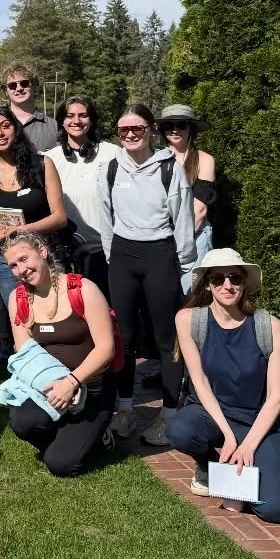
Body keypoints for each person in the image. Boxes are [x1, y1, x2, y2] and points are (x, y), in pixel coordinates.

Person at [167, 249, 280, 523]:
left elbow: (276, 396)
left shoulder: (269, 326)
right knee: (179, 430)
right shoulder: (189, 320)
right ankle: (209, 466)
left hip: (256, 421)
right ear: (207, 284)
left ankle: (241, 476)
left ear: (244, 282)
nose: (227, 285)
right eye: (218, 279)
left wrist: (246, 446)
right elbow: (200, 382)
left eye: (235, 278)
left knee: (276, 510)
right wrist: (228, 435)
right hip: (211, 416)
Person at [95, 103, 196, 446]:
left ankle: (168, 413)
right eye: (123, 130)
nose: (130, 135)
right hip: (123, 257)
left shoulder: (170, 169)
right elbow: (105, 220)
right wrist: (114, 258)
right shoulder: (110, 169)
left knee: (167, 339)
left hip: (160, 256)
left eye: (137, 128)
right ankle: (124, 409)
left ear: (151, 129)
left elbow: (183, 222)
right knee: (123, 336)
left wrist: (184, 268)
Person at [2, 232, 118, 477]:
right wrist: (55, 385)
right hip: (48, 386)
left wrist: (71, 383)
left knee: (61, 465)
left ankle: (97, 437)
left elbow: (106, 348)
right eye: (13, 265)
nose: (21, 270)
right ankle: (68, 433)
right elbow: (24, 350)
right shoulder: (18, 298)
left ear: (42, 252)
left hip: (92, 388)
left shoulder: (83, 289)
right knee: (23, 422)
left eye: (24, 259)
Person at [0, 106, 66, 367]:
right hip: (5, 257)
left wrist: (24, 230)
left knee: (51, 308)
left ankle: (58, 362)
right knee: (20, 312)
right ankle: (28, 367)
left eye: (5, 126)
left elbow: (59, 217)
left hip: (44, 251)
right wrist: (0, 234)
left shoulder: (42, 164)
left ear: (16, 129)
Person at [43, 96, 119, 294]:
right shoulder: (49, 158)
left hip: (106, 251)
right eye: (70, 116)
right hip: (65, 252)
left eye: (83, 115)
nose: (76, 121)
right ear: (61, 121)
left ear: (91, 120)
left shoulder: (113, 154)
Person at [157, 104, 217, 295]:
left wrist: (179, 241)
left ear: (191, 128)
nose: (175, 130)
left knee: (190, 293)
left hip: (194, 235)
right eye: (169, 125)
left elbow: (200, 209)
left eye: (181, 125)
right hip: (159, 236)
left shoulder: (204, 159)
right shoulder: (154, 158)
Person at [0, 61, 60, 153]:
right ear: (6, 91)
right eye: (12, 85)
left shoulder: (54, 126)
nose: (19, 88)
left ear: (35, 86)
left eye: (24, 83)